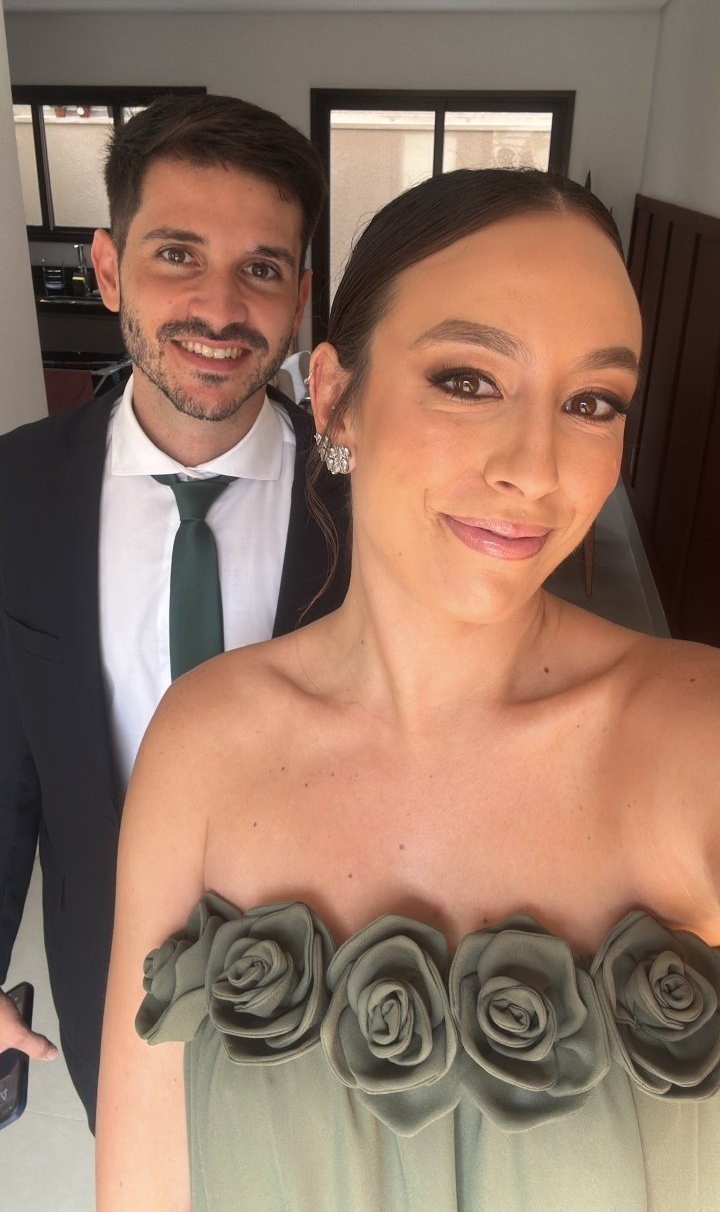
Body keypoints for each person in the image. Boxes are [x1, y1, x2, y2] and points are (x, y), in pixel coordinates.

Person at [97, 168, 720, 1212]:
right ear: (334, 394)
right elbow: (144, 1185)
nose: (537, 468)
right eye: (469, 379)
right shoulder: (202, 746)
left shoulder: (700, 736)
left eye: (592, 402)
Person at [0, 93, 349, 1129]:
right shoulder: (16, 492)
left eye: (262, 268)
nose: (220, 308)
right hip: (110, 973)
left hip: (341, 982)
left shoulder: (371, 507)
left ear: (300, 299)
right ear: (109, 268)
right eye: (177, 254)